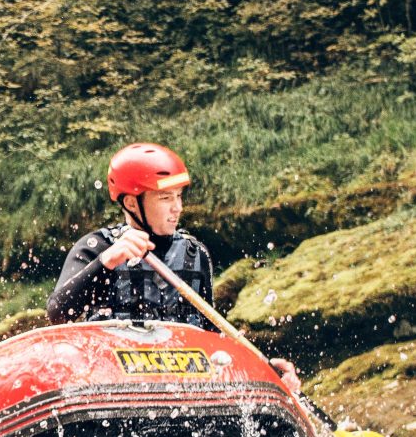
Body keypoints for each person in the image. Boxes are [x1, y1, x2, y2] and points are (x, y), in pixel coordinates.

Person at [47, 141, 302, 395]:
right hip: (117, 386)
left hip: (185, 388)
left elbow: (211, 334)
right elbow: (58, 313)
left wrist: (265, 369)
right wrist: (107, 262)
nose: (177, 207)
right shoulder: (96, 248)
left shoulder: (195, 254)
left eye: (179, 196)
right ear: (132, 203)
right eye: (165, 198)